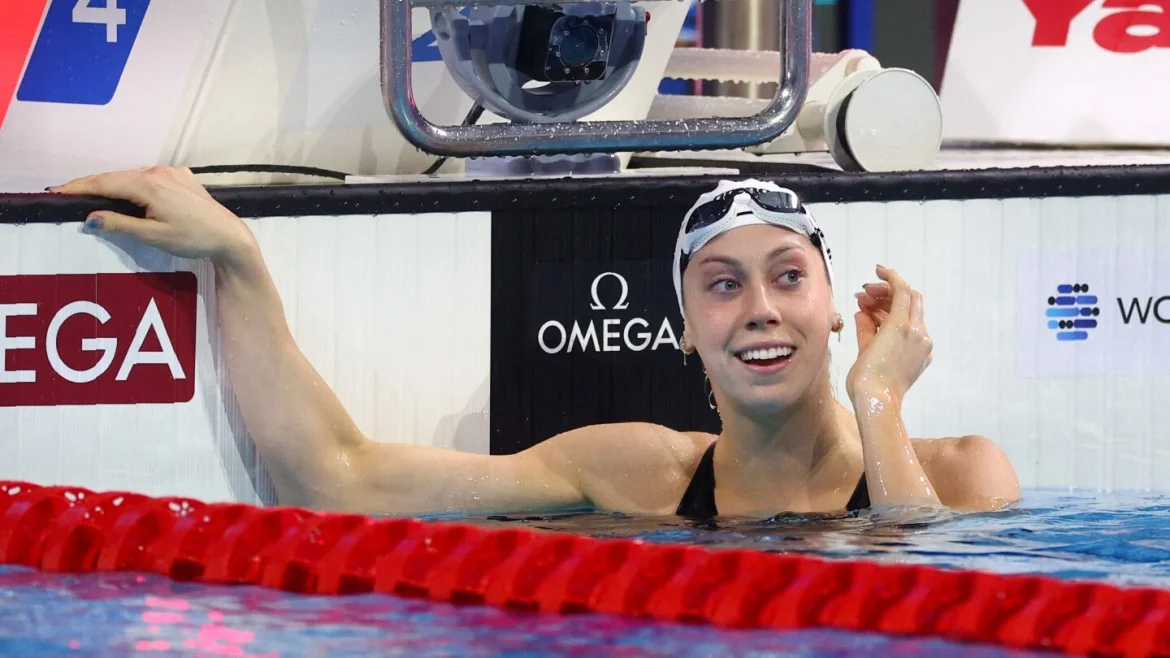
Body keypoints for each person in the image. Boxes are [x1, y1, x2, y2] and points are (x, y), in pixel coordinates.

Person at [50, 168, 1020, 518]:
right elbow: (339, 482)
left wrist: (878, 402)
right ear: (687, 331)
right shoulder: (636, 474)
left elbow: (935, 617)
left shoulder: (968, 473)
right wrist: (240, 261)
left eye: (789, 276)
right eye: (723, 285)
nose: (760, 308)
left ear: (836, 308)